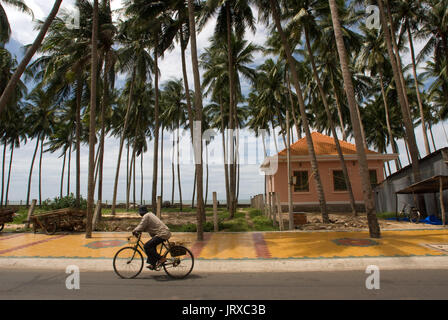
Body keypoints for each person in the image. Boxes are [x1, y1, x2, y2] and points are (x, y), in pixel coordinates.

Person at [132, 205, 171, 270]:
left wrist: (134, 230)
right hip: (162, 233)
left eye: (140, 212)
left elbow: (141, 225)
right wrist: (139, 231)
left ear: (141, 212)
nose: (140, 214)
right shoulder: (149, 214)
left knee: (146, 246)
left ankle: (161, 258)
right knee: (151, 247)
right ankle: (153, 264)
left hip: (162, 234)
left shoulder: (146, 216)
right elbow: (145, 227)